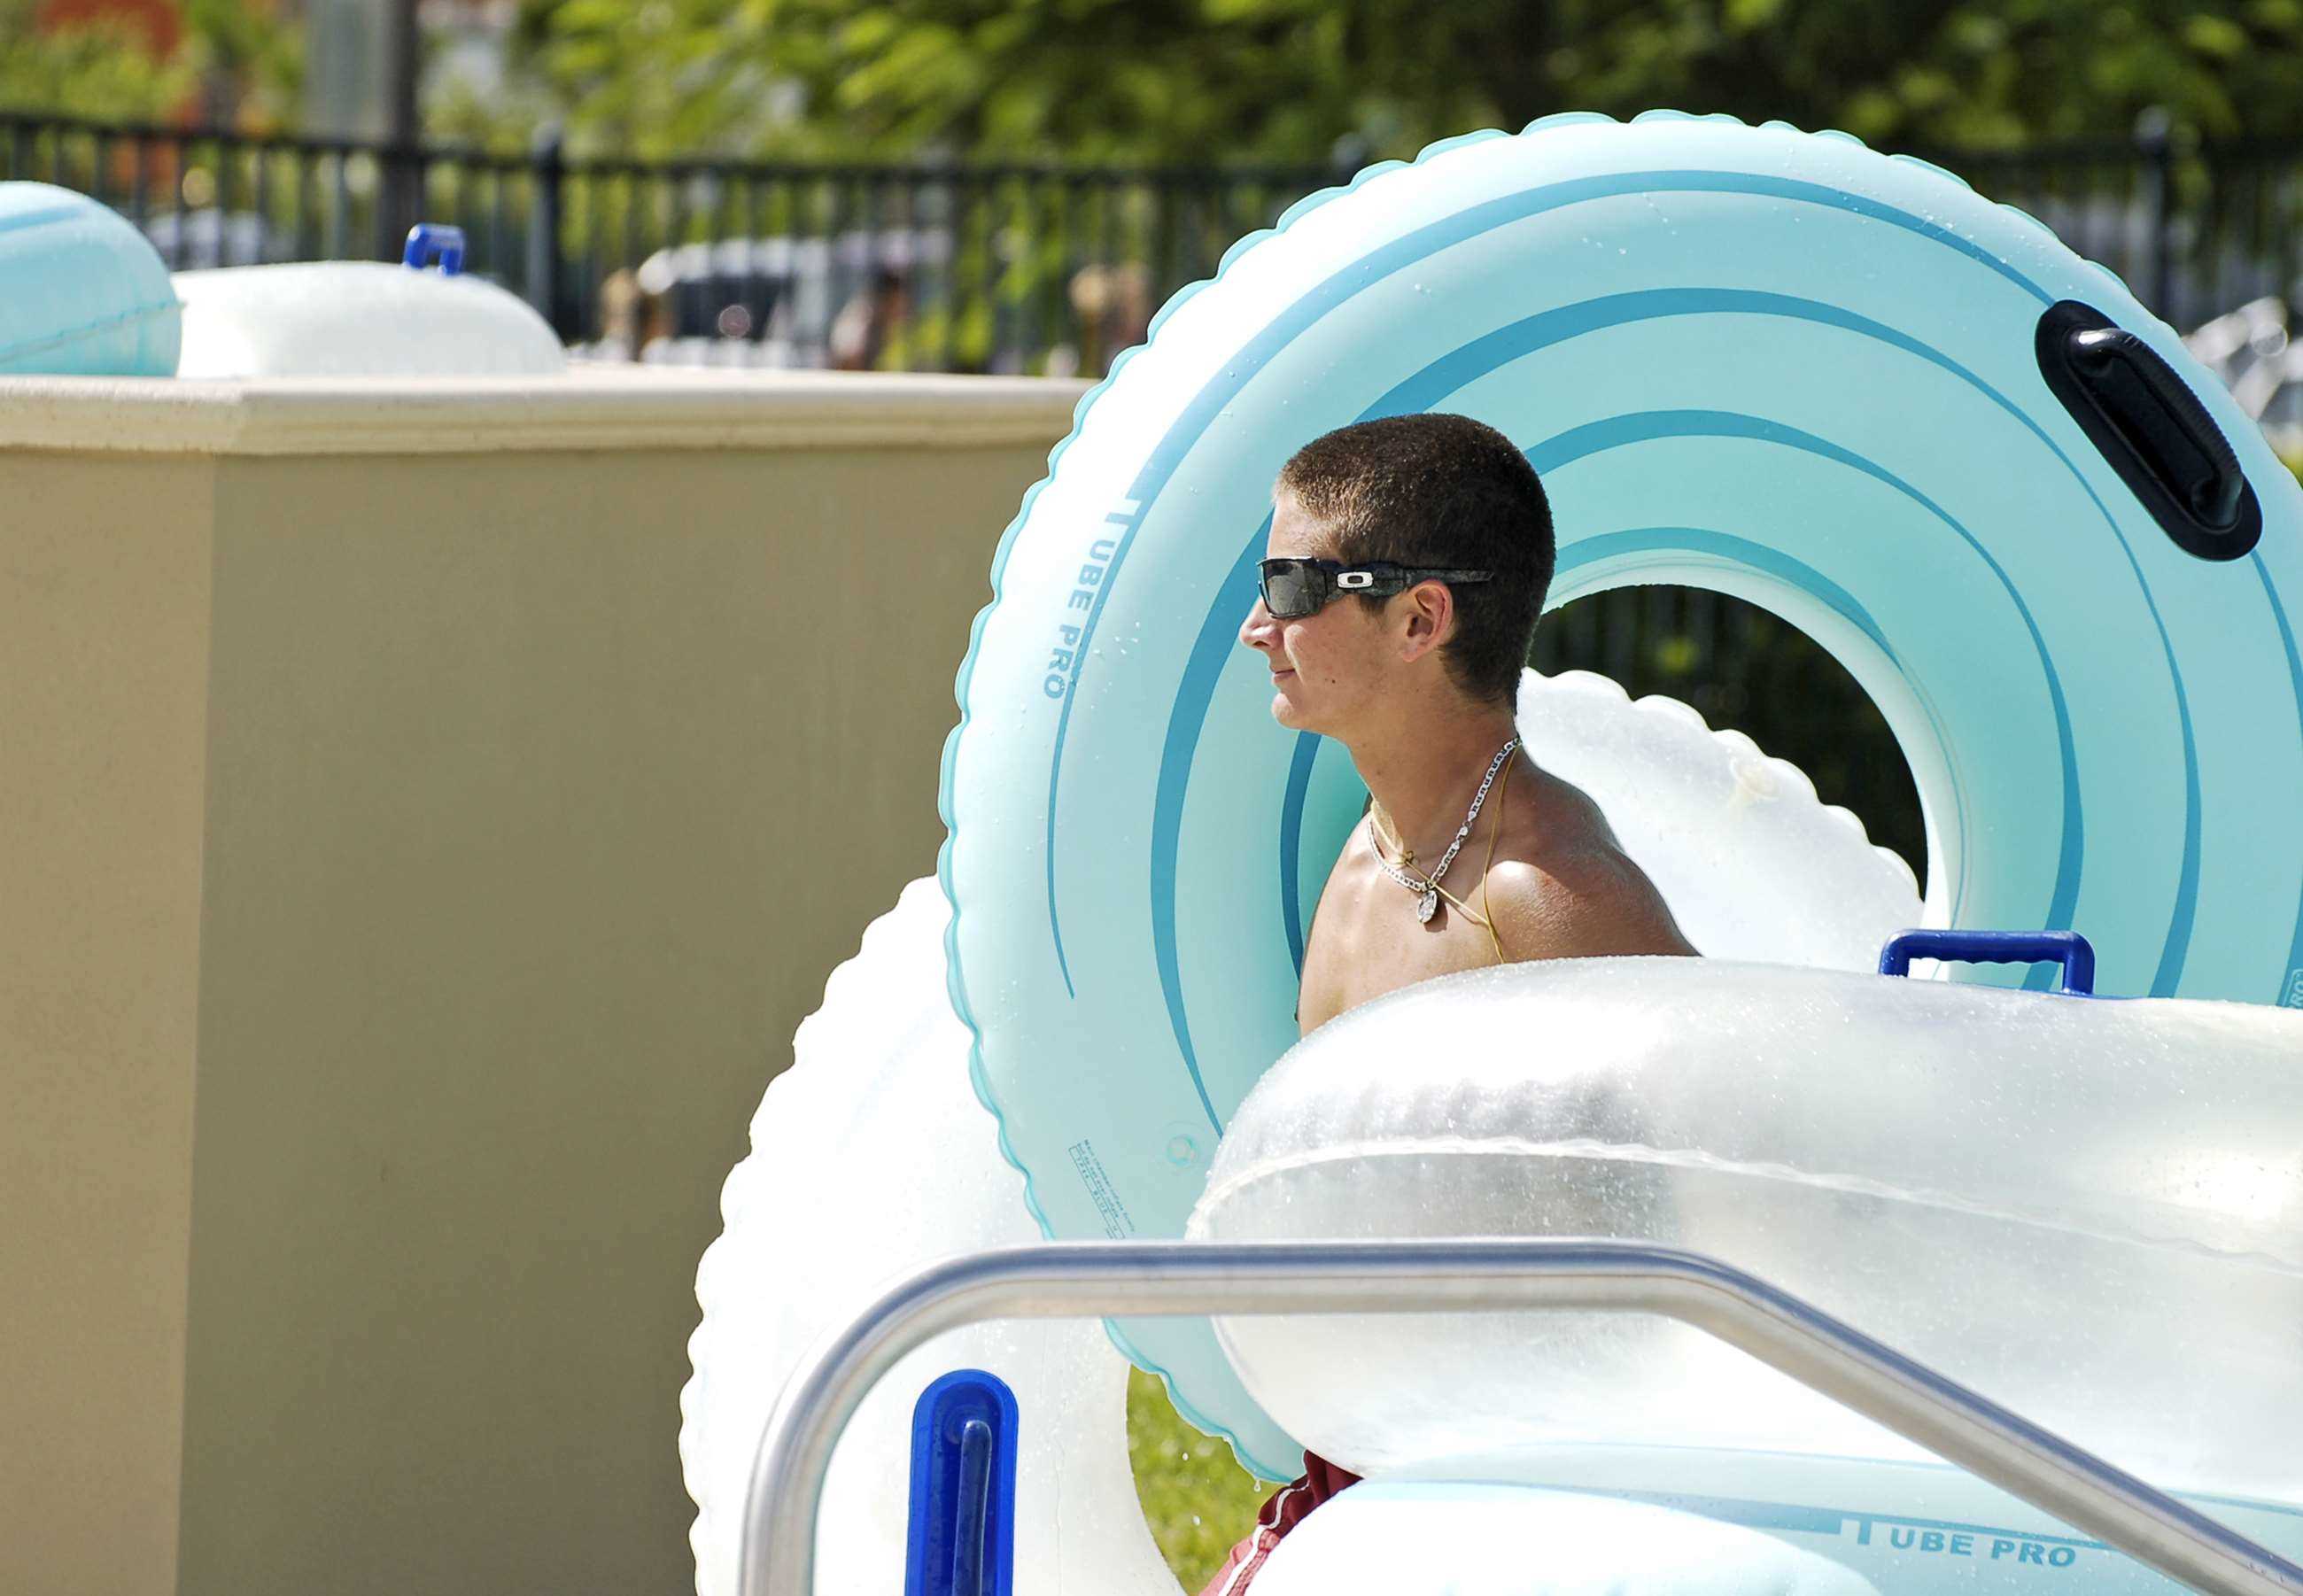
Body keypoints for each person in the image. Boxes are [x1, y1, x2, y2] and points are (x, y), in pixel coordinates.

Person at [1201, 413, 1696, 1596]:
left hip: (1521, 1500)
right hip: (1371, 1459)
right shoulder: (1365, 862)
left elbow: (1710, 1216)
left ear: (1421, 618)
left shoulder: (1550, 897)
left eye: (1295, 583)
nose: (1257, 624)